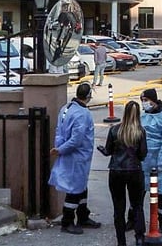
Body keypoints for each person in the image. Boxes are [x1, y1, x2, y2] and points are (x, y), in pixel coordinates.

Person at [49, 83, 102, 235]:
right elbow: (76, 140)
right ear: (88, 96)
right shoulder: (83, 114)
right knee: (74, 190)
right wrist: (61, 149)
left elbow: (59, 131)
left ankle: (83, 215)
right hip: (78, 156)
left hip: (71, 155)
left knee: (81, 187)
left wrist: (59, 147)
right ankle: (67, 221)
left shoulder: (65, 108)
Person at [99, 101, 147, 246]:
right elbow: (143, 154)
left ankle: (121, 241)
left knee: (118, 208)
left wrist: (101, 149)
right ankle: (139, 237)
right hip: (134, 171)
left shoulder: (115, 130)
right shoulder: (140, 132)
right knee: (137, 205)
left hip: (116, 171)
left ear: (124, 113)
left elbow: (108, 151)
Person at [138, 88, 162, 235]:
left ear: (153, 101)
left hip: (160, 162)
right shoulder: (142, 117)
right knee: (139, 192)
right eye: (142, 101)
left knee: (161, 194)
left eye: (146, 100)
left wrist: (161, 162)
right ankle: (134, 219)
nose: (144, 103)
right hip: (143, 161)